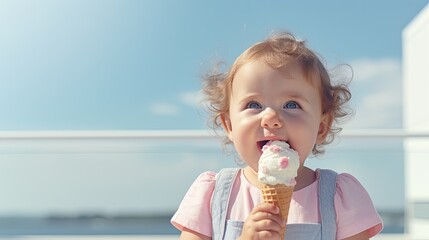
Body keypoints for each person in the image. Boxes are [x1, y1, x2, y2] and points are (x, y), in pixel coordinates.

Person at [171, 31, 383, 240]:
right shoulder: (212, 196)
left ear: (321, 127)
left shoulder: (339, 198)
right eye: (253, 105)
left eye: (292, 105)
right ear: (229, 125)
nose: (271, 117)